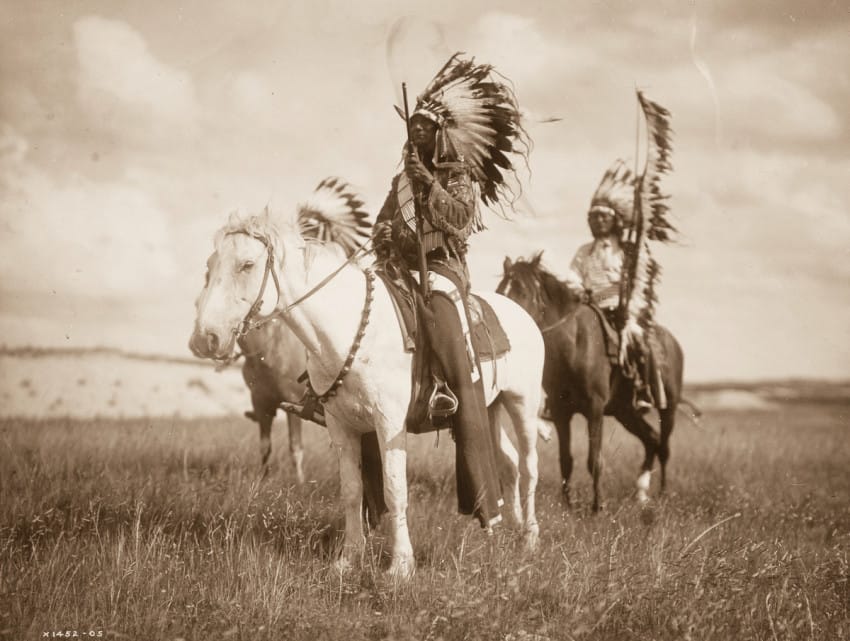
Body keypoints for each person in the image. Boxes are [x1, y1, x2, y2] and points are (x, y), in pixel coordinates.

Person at [372, 53, 530, 529]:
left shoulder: (456, 175)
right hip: (399, 269)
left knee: (442, 317)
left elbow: (461, 222)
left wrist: (431, 186)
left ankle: (450, 392)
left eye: (424, 128)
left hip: (442, 269)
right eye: (412, 128)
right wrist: (382, 244)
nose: (415, 133)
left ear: (439, 133)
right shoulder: (400, 179)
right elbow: (382, 222)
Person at [564, 160, 657, 412]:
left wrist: (628, 306)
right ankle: (558, 396)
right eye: (594, 217)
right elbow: (571, 276)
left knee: (636, 341)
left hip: (621, 310)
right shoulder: (584, 251)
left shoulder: (628, 251)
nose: (598, 221)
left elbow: (640, 283)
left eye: (603, 216)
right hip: (589, 308)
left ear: (614, 220)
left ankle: (641, 388)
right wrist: (580, 291)